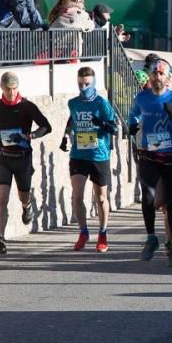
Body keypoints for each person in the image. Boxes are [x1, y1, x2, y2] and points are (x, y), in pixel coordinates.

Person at [127, 60, 172, 266]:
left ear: (168, 78)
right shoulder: (142, 98)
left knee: (170, 204)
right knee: (147, 198)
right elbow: (133, 115)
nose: (157, 78)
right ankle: (151, 238)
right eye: (154, 74)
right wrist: (132, 125)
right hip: (149, 155)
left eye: (161, 74)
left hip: (171, 158)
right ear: (149, 76)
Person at [0, 72, 52, 254]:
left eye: (14, 89)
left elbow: (46, 126)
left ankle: (26, 207)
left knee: (23, 196)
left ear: (18, 88)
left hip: (22, 159)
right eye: (8, 89)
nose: (11, 93)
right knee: (1, 199)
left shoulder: (27, 106)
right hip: (3, 158)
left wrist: (32, 135)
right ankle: (0, 239)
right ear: (2, 88)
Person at [59, 67, 117, 252]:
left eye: (87, 84)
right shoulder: (73, 103)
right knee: (77, 196)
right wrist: (65, 136)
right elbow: (72, 120)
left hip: (99, 155)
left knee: (100, 198)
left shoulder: (102, 103)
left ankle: (103, 233)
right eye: (80, 84)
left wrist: (100, 123)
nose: (83, 87)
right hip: (78, 154)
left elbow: (114, 128)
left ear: (94, 83)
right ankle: (83, 232)